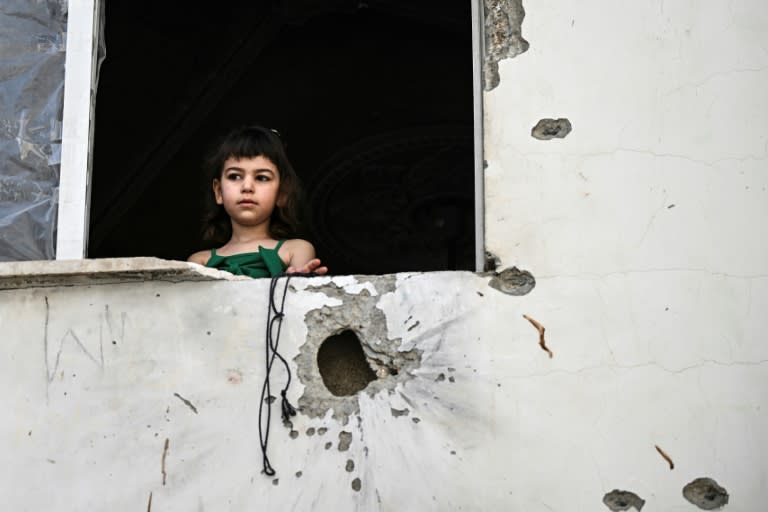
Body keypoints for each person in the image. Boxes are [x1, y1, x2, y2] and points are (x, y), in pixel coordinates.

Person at [187, 125, 327, 277]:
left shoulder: (296, 250)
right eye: (234, 176)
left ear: (282, 193)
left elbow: (292, 297)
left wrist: (294, 283)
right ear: (219, 191)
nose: (247, 187)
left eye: (262, 177)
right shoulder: (199, 261)